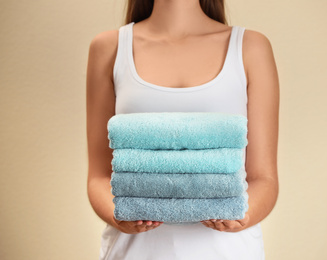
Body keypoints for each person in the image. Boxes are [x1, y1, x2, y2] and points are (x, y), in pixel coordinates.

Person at [86, 0, 279, 259]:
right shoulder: (109, 47)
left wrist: (240, 214)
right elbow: (99, 175)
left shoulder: (250, 47)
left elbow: (264, 178)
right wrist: (120, 214)